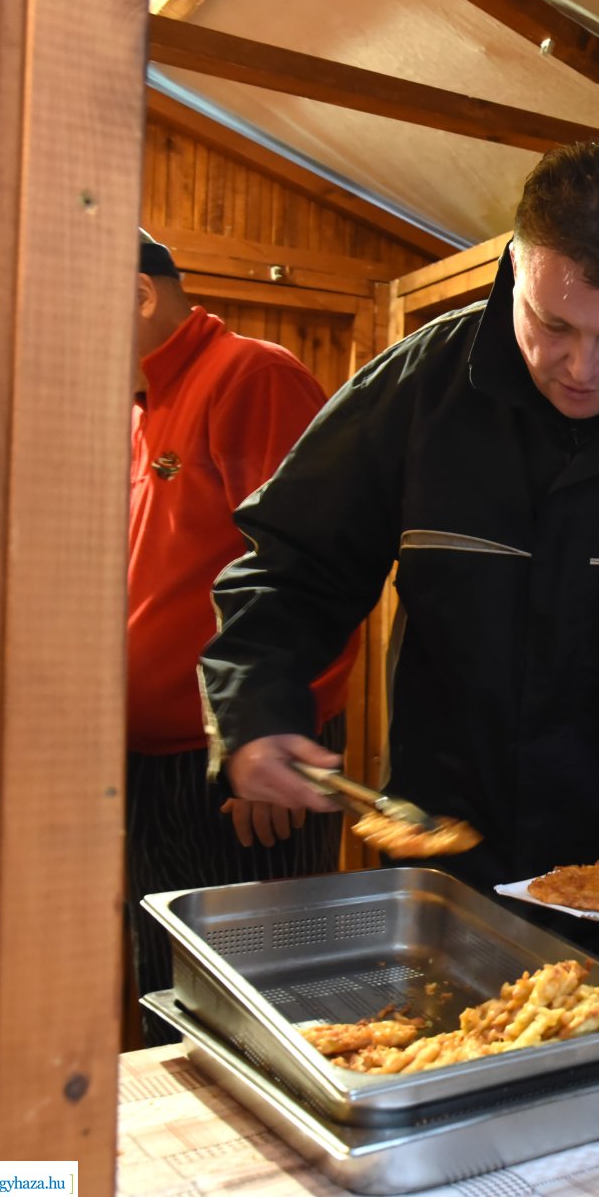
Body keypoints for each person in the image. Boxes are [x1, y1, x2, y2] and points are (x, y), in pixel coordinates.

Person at [201, 142, 599, 952]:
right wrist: (255, 709)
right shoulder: (420, 388)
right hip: (444, 888)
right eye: (552, 324)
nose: (581, 367)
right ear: (516, 266)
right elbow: (289, 565)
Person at [127, 230, 357, 1042]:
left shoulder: (251, 377)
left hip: (243, 763)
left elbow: (313, 572)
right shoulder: (146, 407)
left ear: (142, 294)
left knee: (265, 1007)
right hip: (153, 766)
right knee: (169, 993)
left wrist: (274, 725)